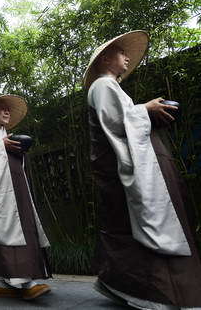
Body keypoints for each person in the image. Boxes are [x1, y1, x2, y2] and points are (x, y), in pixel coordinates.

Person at [85, 30, 201, 309]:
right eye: (120, 52)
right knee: (135, 224)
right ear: (104, 59)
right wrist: (145, 109)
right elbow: (114, 124)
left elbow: (124, 121)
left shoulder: (111, 86)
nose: (126, 57)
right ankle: (155, 293)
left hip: (133, 164)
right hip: (120, 171)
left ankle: (128, 287)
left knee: (130, 224)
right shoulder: (102, 86)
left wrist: (146, 113)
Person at [0, 95, 52, 300]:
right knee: (5, 228)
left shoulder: (6, 133)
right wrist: (0, 145)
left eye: (8, 110)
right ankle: (23, 282)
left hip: (17, 186)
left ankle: (1, 282)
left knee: (24, 225)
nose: (7, 112)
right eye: (2, 109)